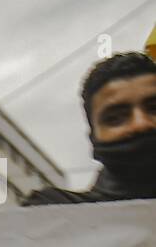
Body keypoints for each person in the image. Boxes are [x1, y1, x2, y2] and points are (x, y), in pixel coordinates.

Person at [26, 51, 156, 204]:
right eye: (115, 119)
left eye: (154, 108)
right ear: (93, 139)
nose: (141, 123)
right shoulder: (54, 212)